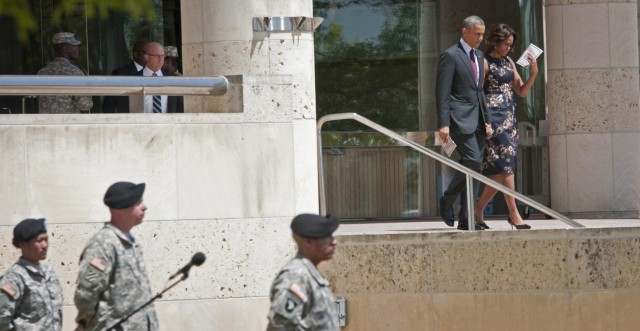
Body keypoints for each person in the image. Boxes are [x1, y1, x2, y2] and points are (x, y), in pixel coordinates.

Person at [474, 23, 539, 230]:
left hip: (510, 118)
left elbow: (521, 91)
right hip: (493, 119)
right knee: (506, 168)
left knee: (498, 172)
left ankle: (478, 209)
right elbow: (478, 94)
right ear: (496, 41)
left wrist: (534, 73)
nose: (509, 49)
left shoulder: (509, 61)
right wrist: (484, 122)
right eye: (506, 44)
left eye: (511, 45)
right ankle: (514, 213)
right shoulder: (484, 62)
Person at [74, 181, 159, 331]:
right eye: (138, 202)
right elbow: (86, 293)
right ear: (121, 209)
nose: (144, 207)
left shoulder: (132, 243)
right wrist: (89, 324)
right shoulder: (103, 245)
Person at [436, 16, 492, 231]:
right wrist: (443, 123)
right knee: (473, 161)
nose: (480, 38)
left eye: (482, 34)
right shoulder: (450, 56)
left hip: (478, 119)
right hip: (458, 119)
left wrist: (486, 120)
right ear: (464, 32)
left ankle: (466, 220)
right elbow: (442, 92)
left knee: (475, 168)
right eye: (477, 33)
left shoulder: (479, 55)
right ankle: (447, 200)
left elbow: (480, 92)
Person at [266, 213, 340, 331]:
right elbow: (279, 326)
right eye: (327, 237)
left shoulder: (309, 273)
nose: (334, 242)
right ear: (309, 242)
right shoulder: (296, 276)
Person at [0, 218, 63, 331]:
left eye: (46, 239)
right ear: (23, 245)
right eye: (39, 241)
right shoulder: (14, 277)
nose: (45, 245)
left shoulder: (49, 273)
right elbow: (2, 317)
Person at [37, 32, 93, 114]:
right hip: (67, 123)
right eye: (74, 45)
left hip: (46, 124)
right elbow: (85, 105)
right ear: (65, 49)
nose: (78, 48)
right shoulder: (74, 72)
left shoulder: (42, 72)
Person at [103, 40, 148, 113]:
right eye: (145, 52)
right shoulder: (120, 73)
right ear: (136, 54)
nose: (148, 56)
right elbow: (109, 104)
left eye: (150, 53)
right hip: (128, 120)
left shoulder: (155, 73)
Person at [142, 42, 184, 113]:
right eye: (157, 56)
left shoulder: (173, 79)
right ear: (147, 57)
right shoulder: (132, 79)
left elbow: (179, 108)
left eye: (162, 56)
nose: (161, 59)